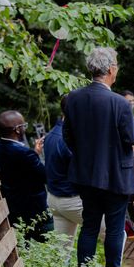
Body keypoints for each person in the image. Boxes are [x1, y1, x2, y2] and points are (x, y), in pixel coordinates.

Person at [63, 47, 134, 267]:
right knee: (115, 227)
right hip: (117, 173)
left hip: (86, 173)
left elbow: (68, 136)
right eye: (116, 66)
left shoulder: (73, 99)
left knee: (89, 225)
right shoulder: (119, 103)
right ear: (110, 70)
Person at [0, 110, 53, 242]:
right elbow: (45, 176)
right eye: (24, 125)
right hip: (35, 211)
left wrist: (33, 153)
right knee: (48, 242)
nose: (25, 127)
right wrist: (37, 155)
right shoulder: (25, 154)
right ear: (17, 130)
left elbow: (17, 170)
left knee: (22, 247)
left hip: (11, 208)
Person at [44, 96, 84, 246]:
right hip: (72, 200)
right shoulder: (68, 138)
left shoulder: (52, 134)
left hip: (54, 198)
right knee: (116, 233)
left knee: (61, 252)